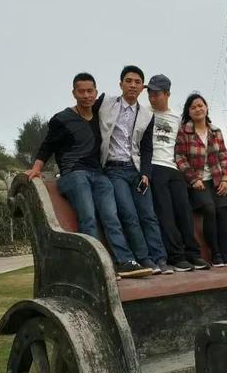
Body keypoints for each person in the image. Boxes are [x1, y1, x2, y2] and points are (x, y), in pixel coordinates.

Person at [25, 72, 152, 278]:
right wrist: (37, 168)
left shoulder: (100, 115)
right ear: (74, 93)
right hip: (73, 174)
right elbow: (48, 145)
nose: (86, 95)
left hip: (98, 174)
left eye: (90, 91)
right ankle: (96, 264)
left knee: (111, 217)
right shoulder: (62, 118)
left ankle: (125, 261)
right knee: (89, 217)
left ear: (96, 92)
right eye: (81, 91)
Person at [98, 65, 172, 275]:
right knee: (129, 214)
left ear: (142, 88)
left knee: (148, 214)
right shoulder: (105, 103)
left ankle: (160, 258)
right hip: (114, 170)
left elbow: (147, 148)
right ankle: (144, 259)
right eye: (128, 81)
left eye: (137, 82)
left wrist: (146, 174)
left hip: (136, 170)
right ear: (120, 83)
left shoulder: (147, 115)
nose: (132, 85)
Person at [146, 74, 210, 271]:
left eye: (156, 93)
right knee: (165, 213)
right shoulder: (142, 112)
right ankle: (176, 256)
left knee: (184, 211)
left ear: (167, 94)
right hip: (153, 166)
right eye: (150, 93)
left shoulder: (176, 118)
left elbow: (189, 144)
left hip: (174, 168)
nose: (152, 97)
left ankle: (193, 253)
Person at [175, 92, 227, 267]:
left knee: (224, 212)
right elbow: (179, 157)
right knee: (209, 209)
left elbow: (224, 156)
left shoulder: (215, 131)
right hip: (197, 182)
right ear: (189, 111)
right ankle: (215, 254)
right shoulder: (184, 131)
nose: (198, 109)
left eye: (200, 105)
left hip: (217, 179)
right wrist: (193, 179)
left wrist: (226, 179)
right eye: (193, 107)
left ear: (206, 107)